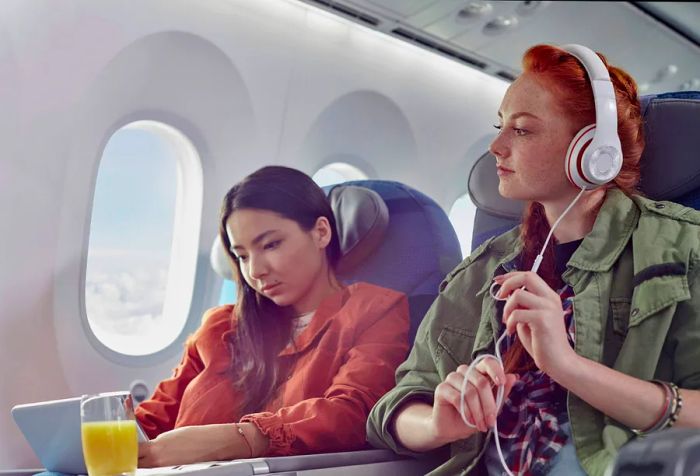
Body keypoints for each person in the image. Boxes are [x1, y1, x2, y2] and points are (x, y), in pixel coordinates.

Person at [367, 44, 700, 476]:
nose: (496, 146)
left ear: (593, 150)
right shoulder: (484, 271)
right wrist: (438, 422)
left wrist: (567, 366)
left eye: (521, 130)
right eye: (499, 125)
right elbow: (393, 407)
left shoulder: (681, 248)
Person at [136, 166, 410, 467]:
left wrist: (235, 439)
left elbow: (353, 413)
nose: (255, 271)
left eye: (270, 245)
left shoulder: (374, 310)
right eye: (242, 256)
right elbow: (151, 421)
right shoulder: (220, 328)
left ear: (321, 232)